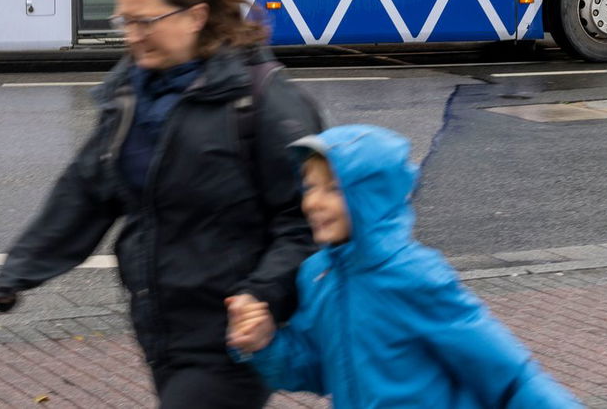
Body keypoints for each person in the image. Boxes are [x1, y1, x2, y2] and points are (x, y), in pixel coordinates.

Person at [0, 0, 323, 408]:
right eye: (124, 22)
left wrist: (261, 296)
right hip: (161, 328)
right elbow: (87, 190)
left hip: (234, 333)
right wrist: (21, 269)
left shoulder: (260, 100)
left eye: (145, 22)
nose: (132, 37)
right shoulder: (130, 96)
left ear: (196, 16)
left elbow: (305, 219)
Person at [226, 124, 581, 408]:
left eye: (333, 189)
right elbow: (318, 368)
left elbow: (505, 372)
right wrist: (265, 344)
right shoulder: (319, 276)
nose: (314, 202)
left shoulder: (414, 277)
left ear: (372, 196)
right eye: (309, 187)